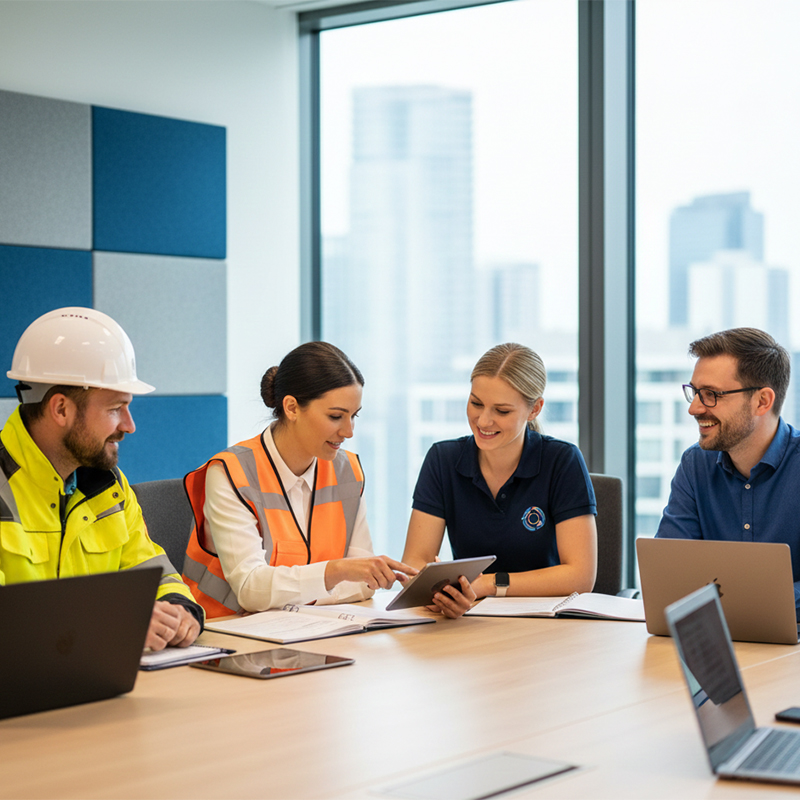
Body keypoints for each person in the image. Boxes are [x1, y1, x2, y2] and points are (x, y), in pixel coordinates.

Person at [1, 307, 203, 651]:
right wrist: (116, 622)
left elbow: (152, 568)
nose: (129, 425)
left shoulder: (110, 486)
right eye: (114, 409)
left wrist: (180, 612)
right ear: (61, 409)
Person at [182, 341, 417, 618]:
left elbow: (364, 584)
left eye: (354, 416)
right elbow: (249, 589)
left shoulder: (348, 471)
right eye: (336, 416)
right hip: (228, 636)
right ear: (292, 408)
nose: (349, 431)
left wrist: (298, 593)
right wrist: (336, 572)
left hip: (306, 632)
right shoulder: (229, 473)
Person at [402, 342, 598, 619]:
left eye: (502, 411)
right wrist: (444, 594)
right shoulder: (442, 459)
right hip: (467, 622)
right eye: (476, 403)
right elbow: (413, 563)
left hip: (546, 626)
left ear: (535, 409)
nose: (483, 421)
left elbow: (580, 576)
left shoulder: (562, 460)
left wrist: (488, 585)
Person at [656, 327, 800, 614]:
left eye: (711, 395)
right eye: (695, 393)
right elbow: (668, 571)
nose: (695, 409)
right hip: (714, 636)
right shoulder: (695, 464)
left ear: (762, 401)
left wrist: (743, 603)